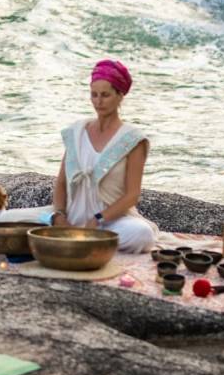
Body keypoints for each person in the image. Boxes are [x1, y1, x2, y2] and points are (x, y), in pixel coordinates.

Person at [48, 58, 157, 254]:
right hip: (71, 219)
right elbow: (62, 183)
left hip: (108, 223)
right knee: (4, 220)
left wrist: (98, 219)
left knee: (142, 234)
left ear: (120, 95)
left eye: (105, 95)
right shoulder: (77, 132)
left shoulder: (132, 139)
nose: (98, 101)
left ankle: (84, 241)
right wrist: (59, 215)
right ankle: (82, 239)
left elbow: (132, 195)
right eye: (94, 95)